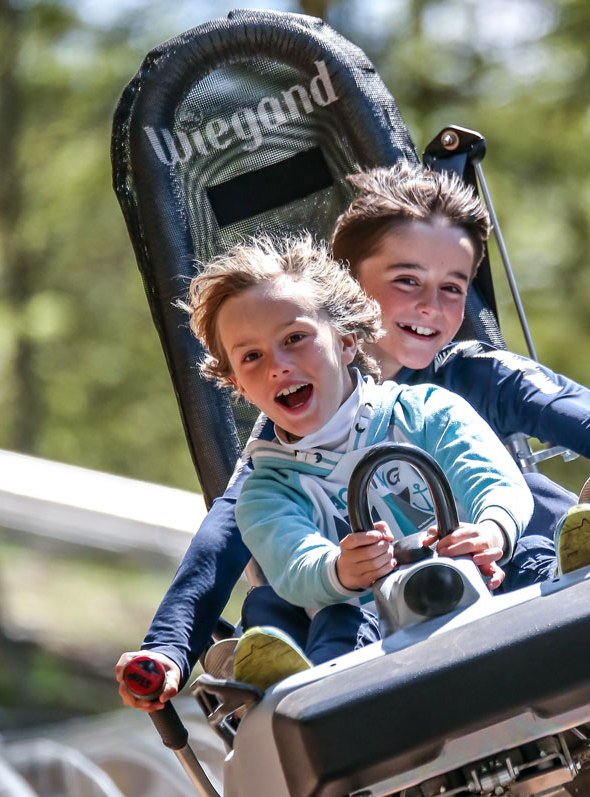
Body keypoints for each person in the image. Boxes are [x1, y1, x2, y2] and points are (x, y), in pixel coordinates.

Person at [116, 162, 590, 711]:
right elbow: (213, 559)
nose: (430, 305)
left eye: (453, 288)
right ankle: (285, 679)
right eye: (408, 281)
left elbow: (573, 412)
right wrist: (167, 649)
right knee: (278, 602)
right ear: (345, 288)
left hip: (489, 559)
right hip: (359, 604)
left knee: (534, 500)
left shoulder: (451, 386)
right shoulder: (275, 463)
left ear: (340, 332)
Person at [122, 232, 533, 693]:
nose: (276, 365)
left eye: (295, 338)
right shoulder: (266, 490)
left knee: (531, 553)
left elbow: (494, 482)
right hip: (376, 636)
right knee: (336, 622)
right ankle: (303, 695)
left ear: (346, 342)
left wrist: (493, 531)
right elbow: (293, 564)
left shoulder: (427, 412)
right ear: (238, 385)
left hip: (484, 586)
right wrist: (339, 569)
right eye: (252, 357)